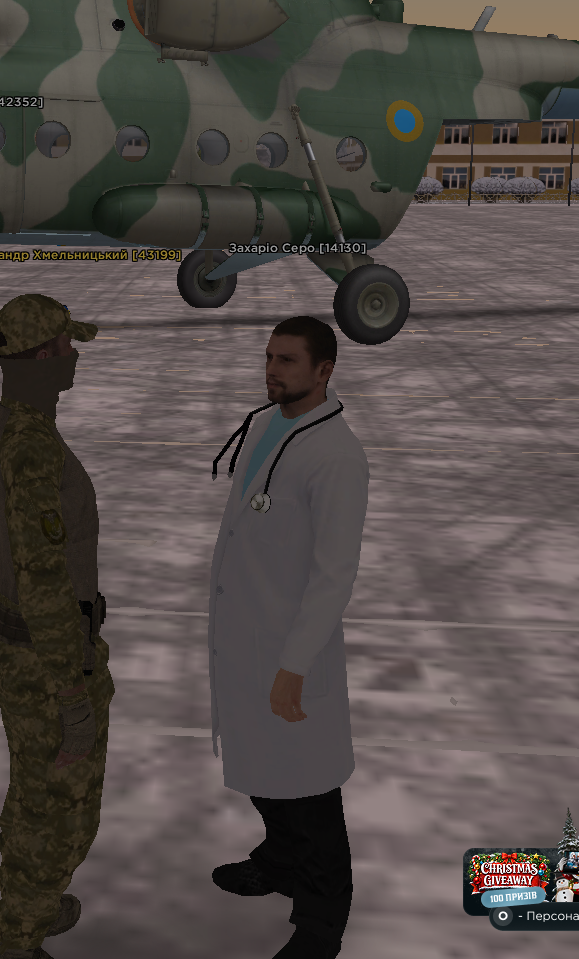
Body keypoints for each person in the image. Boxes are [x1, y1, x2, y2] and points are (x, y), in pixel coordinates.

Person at [206, 316, 369, 959]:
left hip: (288, 651)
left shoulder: (337, 457)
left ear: (324, 371)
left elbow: (334, 576)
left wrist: (294, 664)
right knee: (262, 771)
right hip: (245, 640)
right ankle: (278, 862)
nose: (272, 370)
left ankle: (322, 923)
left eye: (288, 361)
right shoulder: (267, 424)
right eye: (269, 357)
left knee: (310, 793)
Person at [0, 294, 113, 959]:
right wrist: (71, 688)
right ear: (42, 357)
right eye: (66, 346)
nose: (74, 357)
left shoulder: (6, 425)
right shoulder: (29, 445)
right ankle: (22, 940)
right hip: (50, 658)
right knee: (59, 810)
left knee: (34, 794)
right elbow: (42, 577)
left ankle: (29, 908)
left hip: (29, 648)